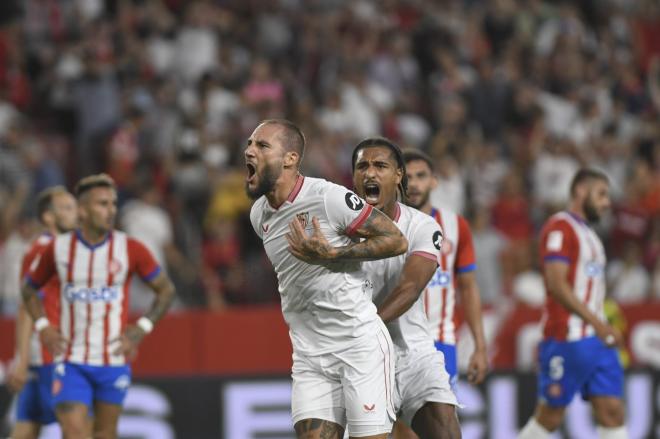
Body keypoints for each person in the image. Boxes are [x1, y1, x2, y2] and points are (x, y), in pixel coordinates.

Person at [245, 119, 408, 439]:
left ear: (290, 159)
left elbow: (396, 240)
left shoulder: (327, 198)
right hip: (310, 355)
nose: (249, 150)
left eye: (261, 145)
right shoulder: (259, 215)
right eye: (249, 144)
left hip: (359, 347)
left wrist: (333, 255)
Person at [21, 173, 176, 439]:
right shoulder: (58, 250)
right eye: (102, 204)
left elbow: (166, 290)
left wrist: (141, 328)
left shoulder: (130, 248)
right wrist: (43, 326)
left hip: (112, 360)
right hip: (69, 360)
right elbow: (28, 289)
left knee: (105, 434)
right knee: (74, 432)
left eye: (113, 203)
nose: (110, 210)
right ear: (82, 210)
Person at [352, 138, 461, 439]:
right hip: (361, 358)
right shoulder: (338, 230)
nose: (370, 173)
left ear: (398, 175)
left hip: (413, 352)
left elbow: (410, 288)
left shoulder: (423, 226)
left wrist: (365, 326)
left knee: (446, 430)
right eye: (362, 166)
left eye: (380, 166)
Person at [517, 168, 628, 439]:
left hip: (597, 340)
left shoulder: (590, 234)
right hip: (567, 337)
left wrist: (599, 327)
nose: (606, 202)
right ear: (580, 190)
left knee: (612, 409)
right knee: (551, 415)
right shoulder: (560, 227)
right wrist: (599, 324)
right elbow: (557, 284)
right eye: (601, 194)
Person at [402, 149, 488, 389]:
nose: (415, 184)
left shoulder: (455, 225)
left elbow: (469, 288)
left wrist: (480, 347)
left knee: (441, 422)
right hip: (396, 341)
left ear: (434, 181)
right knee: (400, 425)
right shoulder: (386, 224)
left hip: (440, 340)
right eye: (408, 177)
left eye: (421, 176)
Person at [8, 186, 77, 439]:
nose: (76, 213)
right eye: (67, 208)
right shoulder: (44, 250)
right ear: (49, 217)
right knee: (78, 427)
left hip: (45, 356)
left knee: (26, 428)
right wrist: (22, 359)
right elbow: (27, 304)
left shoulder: (62, 248)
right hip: (51, 356)